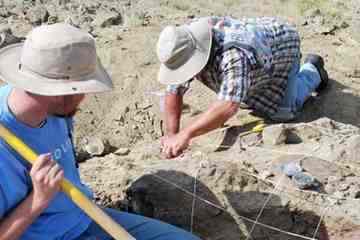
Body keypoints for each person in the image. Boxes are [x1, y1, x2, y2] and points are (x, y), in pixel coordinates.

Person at [0, 23, 200, 240]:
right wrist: (38, 200)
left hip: (86, 216)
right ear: (58, 92)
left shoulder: (57, 111)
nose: (85, 98)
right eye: (82, 89)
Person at [156, 16, 329, 159]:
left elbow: (228, 105)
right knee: (245, 97)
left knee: (283, 113)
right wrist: (172, 135)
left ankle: (312, 71)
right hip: (258, 57)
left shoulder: (234, 54)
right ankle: (252, 89)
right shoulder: (182, 44)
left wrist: (185, 134)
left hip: (283, 48)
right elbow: (173, 90)